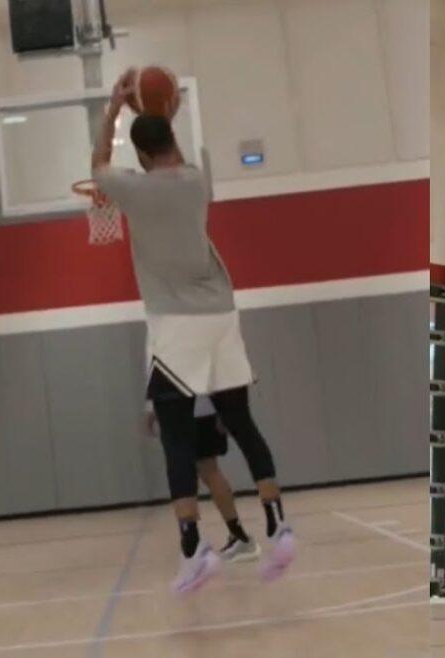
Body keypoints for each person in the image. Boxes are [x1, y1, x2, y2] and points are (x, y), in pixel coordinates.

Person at [91, 68, 295, 594]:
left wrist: (115, 108)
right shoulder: (197, 179)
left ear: (137, 153)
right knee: (243, 425)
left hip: (175, 323)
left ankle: (193, 548)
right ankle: (278, 525)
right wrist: (162, 113)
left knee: (178, 440)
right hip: (222, 314)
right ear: (172, 138)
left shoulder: (130, 190)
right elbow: (171, 151)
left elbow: (98, 164)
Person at [145, 394, 261, 563]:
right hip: (205, 409)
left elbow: (157, 373)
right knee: (209, 470)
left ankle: (193, 544)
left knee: (184, 471)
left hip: (178, 408)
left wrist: (151, 406)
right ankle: (238, 535)